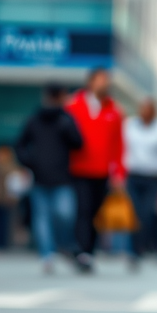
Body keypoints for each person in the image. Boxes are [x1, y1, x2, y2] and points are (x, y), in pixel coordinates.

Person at [15, 84, 83, 274]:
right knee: (42, 219)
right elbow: (20, 145)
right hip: (40, 179)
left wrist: (68, 129)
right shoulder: (34, 119)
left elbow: (78, 143)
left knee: (65, 214)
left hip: (62, 178)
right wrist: (30, 163)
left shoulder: (66, 120)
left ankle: (64, 245)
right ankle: (47, 255)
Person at [65, 67, 125, 273]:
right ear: (90, 82)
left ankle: (88, 251)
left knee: (94, 212)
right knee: (82, 209)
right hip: (78, 169)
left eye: (106, 80)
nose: (104, 84)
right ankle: (82, 251)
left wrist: (118, 173)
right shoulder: (73, 105)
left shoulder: (115, 111)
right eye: (101, 80)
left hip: (102, 171)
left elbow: (118, 144)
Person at [123, 98, 157, 266]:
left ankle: (145, 246)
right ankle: (133, 251)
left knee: (147, 214)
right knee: (133, 212)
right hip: (133, 176)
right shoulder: (129, 126)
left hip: (152, 178)